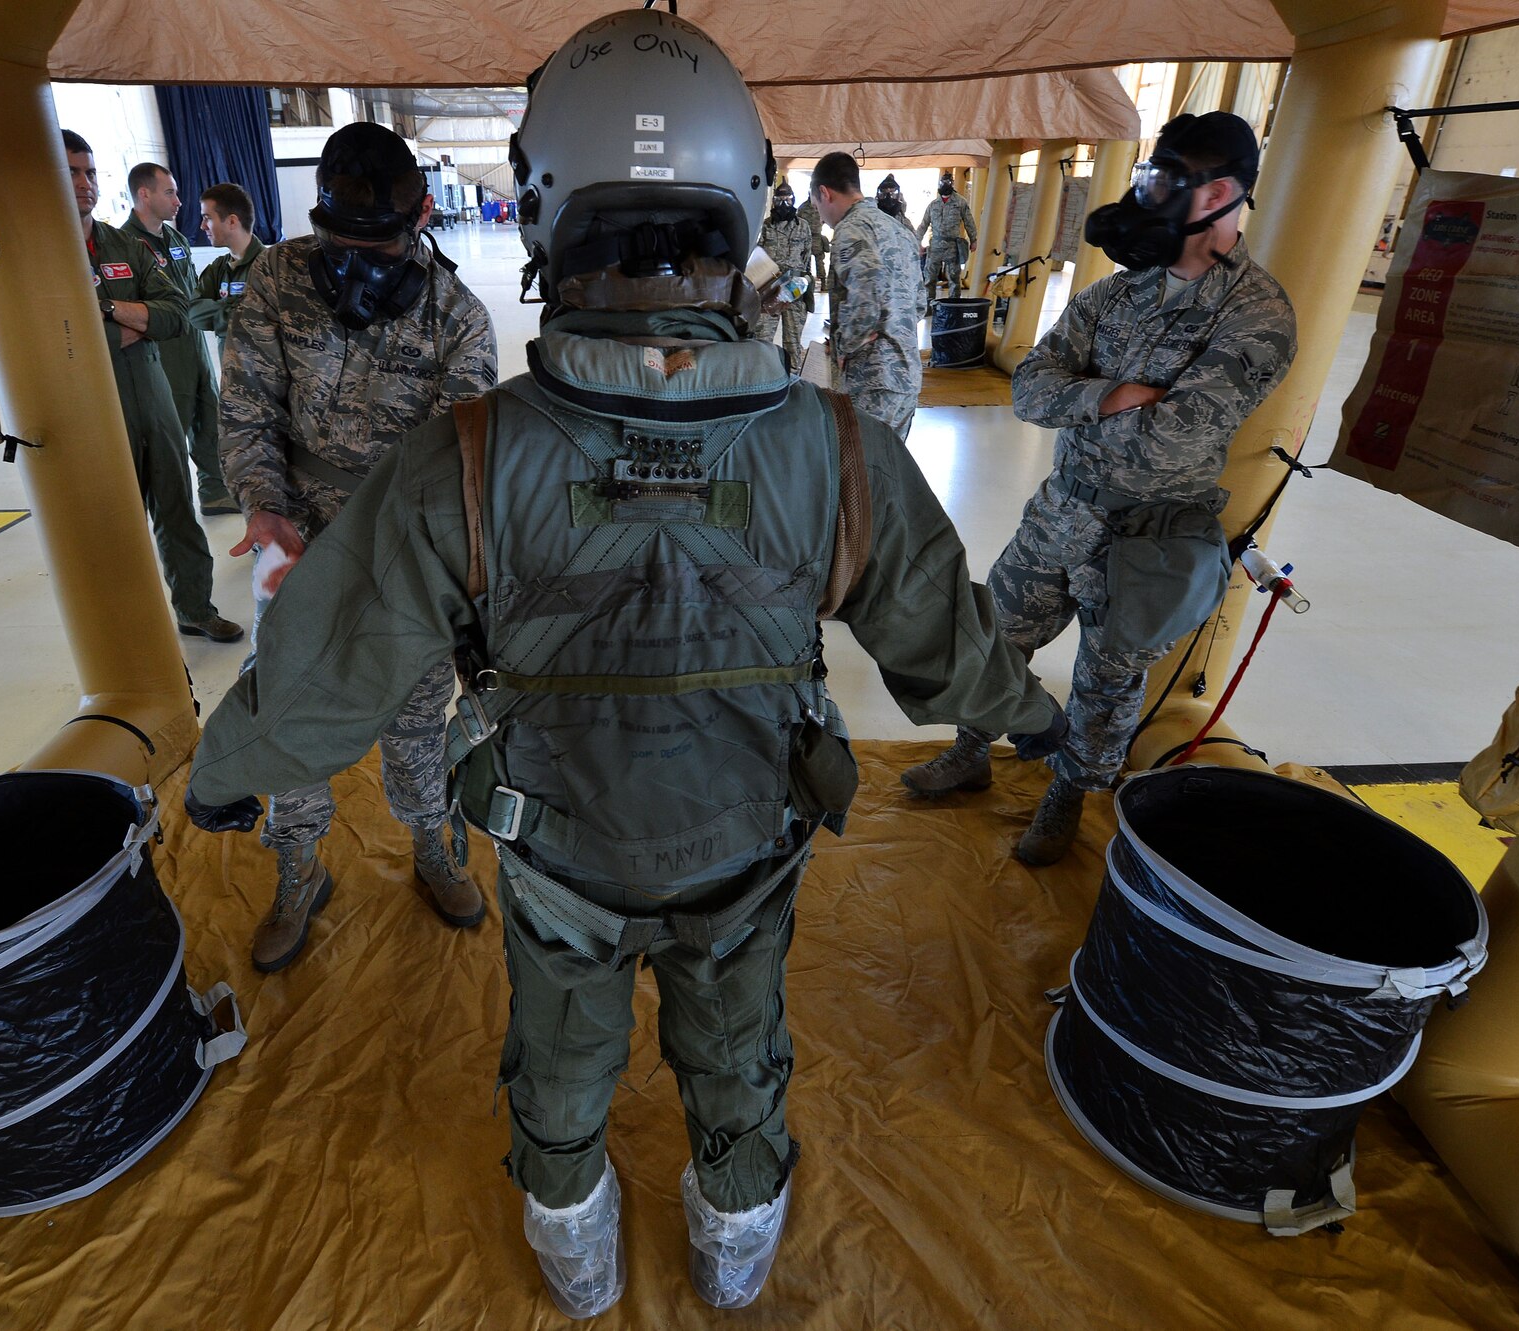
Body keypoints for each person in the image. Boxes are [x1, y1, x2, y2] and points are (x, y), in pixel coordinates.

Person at [184, 10, 1064, 1315]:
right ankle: (732, 1239)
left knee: (558, 1055)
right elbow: (947, 651)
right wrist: (1029, 715)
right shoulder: (841, 451)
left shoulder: (465, 457)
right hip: (747, 839)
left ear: (539, 207)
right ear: (748, 203)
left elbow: (328, 666)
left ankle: (577, 1250)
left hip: (560, 850)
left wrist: (225, 770)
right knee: (738, 1049)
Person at [901, 112, 1298, 865]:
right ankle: (972, 750)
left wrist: (1085, 395)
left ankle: (1067, 794)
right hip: (1063, 507)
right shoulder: (1117, 293)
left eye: (1164, 182)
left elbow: (1173, 436)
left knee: (1108, 682)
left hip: (1146, 536)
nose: (1147, 195)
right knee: (997, 637)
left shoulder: (1256, 316)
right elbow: (1029, 388)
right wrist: (1110, 394)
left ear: (1218, 193)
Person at [210, 122, 497, 972]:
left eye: (378, 241)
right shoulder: (275, 279)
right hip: (295, 539)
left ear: (421, 215)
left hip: (406, 551)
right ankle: (299, 869)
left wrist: (444, 562)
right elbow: (247, 406)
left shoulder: (457, 315)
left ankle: (432, 847)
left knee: (413, 716)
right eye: (341, 241)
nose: (357, 259)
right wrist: (263, 505)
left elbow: (466, 461)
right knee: (294, 707)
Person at [63, 130, 240, 643]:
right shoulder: (40, 259)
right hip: (95, 403)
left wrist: (108, 311)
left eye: (89, 171)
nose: (84, 182)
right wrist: (131, 322)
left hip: (152, 387)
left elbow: (176, 314)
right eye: (70, 172)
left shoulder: (127, 247)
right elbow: (60, 335)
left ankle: (194, 607)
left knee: (176, 504)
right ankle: (121, 632)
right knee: (113, 523)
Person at [122, 162, 234, 516]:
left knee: (209, 419)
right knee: (171, 431)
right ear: (144, 194)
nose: (179, 201)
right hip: (161, 353)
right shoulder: (125, 245)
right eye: (169, 192)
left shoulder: (177, 240)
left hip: (194, 347)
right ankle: (171, 508)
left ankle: (215, 492)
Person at [812, 152, 924, 439]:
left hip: (873, 379)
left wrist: (845, 344)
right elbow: (920, 303)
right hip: (905, 376)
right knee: (890, 471)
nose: (822, 219)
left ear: (825, 193)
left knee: (863, 474)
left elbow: (867, 292)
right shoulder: (899, 229)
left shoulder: (850, 229)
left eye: (817, 206)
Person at [754, 180, 818, 374]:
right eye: (779, 200)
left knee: (793, 342)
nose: (783, 204)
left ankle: (792, 381)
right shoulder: (765, 226)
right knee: (761, 339)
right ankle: (763, 379)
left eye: (788, 200)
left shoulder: (803, 226)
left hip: (795, 290)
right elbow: (757, 256)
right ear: (773, 202)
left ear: (794, 201)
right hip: (770, 289)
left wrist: (805, 282)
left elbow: (806, 258)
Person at [190, 183, 266, 340]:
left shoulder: (269, 266)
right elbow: (193, 311)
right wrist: (236, 307)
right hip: (229, 364)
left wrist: (218, 312)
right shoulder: (219, 267)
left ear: (232, 221)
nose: (202, 226)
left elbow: (261, 320)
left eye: (207, 218)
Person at [917, 173, 979, 304]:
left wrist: (974, 239)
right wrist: (917, 242)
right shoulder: (933, 204)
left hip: (953, 246)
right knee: (930, 277)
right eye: (943, 183)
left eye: (948, 182)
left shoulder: (960, 202)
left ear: (952, 184)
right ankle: (929, 304)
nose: (945, 185)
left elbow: (969, 221)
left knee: (954, 278)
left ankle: (953, 306)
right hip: (935, 246)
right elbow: (924, 224)